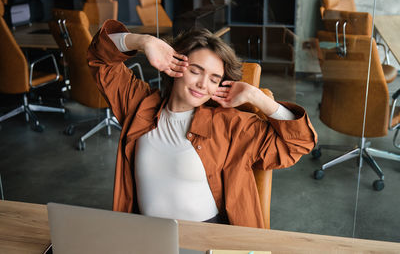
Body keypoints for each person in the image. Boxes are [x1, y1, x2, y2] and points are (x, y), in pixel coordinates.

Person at [87, 20, 317, 229]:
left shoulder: (230, 124)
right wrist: (144, 41)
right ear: (174, 66)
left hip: (206, 238)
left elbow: (299, 143)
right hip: (147, 237)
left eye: (214, 79)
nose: (202, 84)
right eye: (195, 71)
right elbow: (99, 57)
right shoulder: (139, 104)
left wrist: (257, 97)